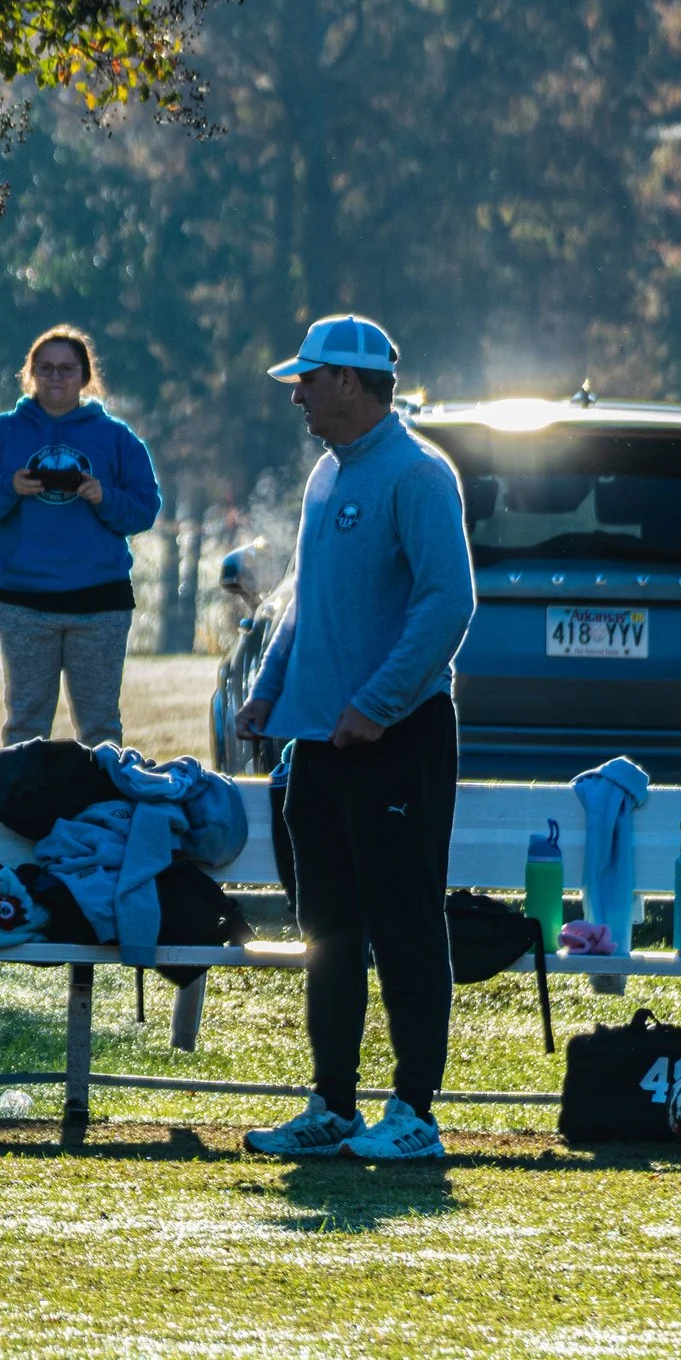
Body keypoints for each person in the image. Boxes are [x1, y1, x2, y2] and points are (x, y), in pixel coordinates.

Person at [235, 316, 474, 1163]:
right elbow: (303, 599)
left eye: (307, 379)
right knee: (327, 929)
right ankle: (333, 1102)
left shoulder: (417, 473)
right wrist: (268, 690)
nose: (296, 393)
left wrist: (376, 703)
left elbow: (448, 602)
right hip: (320, 744)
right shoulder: (327, 474)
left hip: (398, 736)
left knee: (405, 921)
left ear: (349, 381)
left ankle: (414, 1110)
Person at [0, 326, 162, 749]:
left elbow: (145, 507)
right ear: (30, 374)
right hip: (24, 601)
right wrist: (7, 486)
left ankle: (105, 811)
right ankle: (23, 809)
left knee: (101, 728)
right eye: (45, 369)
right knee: (26, 726)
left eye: (67, 369)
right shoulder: (3, 433)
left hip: (100, 602)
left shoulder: (115, 437)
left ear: (85, 376)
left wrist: (106, 497)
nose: (56, 378)